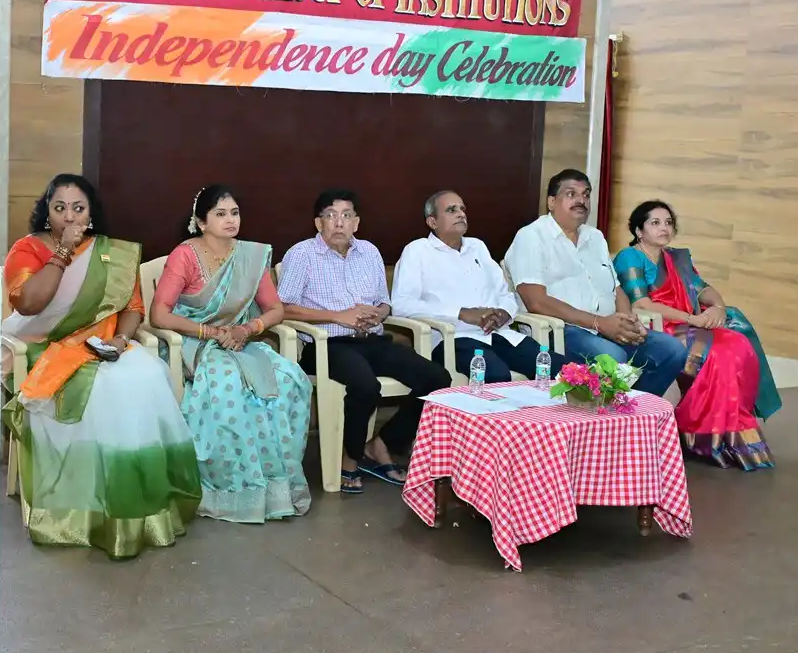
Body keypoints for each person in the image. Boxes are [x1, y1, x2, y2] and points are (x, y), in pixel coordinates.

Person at [3, 174, 201, 559]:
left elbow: (133, 308)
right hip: (46, 349)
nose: (69, 216)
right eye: (59, 207)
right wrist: (62, 252)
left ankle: (142, 508)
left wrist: (120, 341)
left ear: (91, 213)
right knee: (109, 390)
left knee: (147, 375)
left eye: (79, 208)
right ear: (46, 210)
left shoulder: (111, 253)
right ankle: (86, 510)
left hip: (104, 345)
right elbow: (28, 305)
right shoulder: (27, 249)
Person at [149, 184, 311, 523]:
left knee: (290, 379)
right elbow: (160, 315)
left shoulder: (250, 257)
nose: (230, 220)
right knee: (228, 385)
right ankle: (233, 488)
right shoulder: (186, 255)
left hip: (240, 341)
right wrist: (211, 332)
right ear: (201, 222)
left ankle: (274, 487)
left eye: (234, 213)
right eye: (220, 214)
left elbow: (275, 309)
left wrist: (246, 330)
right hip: (193, 343)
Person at [278, 189, 452, 494]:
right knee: (365, 385)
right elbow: (283, 308)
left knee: (437, 377)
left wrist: (378, 313)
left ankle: (383, 443)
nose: (339, 223)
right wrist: (338, 316)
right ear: (318, 223)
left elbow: (385, 304)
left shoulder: (369, 252)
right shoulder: (301, 254)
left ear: (356, 223)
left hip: (371, 340)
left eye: (346, 216)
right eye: (330, 216)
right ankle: (349, 458)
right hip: (325, 346)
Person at [615, 201, 781, 470]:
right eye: (655, 223)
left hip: (690, 323)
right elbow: (640, 304)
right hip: (659, 328)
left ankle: (730, 433)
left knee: (738, 343)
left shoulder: (677, 259)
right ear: (638, 230)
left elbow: (702, 288)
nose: (664, 228)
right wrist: (693, 319)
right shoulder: (630, 257)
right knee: (719, 354)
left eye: (668, 222)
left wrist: (719, 307)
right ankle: (705, 437)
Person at [504, 170, 686, 397]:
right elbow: (536, 301)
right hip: (561, 330)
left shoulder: (595, 237)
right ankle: (614, 414)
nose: (581, 200)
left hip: (604, 325)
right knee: (612, 357)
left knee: (672, 350)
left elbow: (616, 288)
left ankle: (629, 412)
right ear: (552, 202)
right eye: (571, 194)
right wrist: (599, 323)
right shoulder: (531, 237)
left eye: (586, 194)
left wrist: (628, 321)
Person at [392, 189, 571, 382]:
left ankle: (540, 414)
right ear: (432, 222)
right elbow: (402, 305)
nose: (461, 213)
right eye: (451, 210)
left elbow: (505, 294)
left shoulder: (477, 247)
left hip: (500, 334)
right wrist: (460, 313)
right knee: (496, 376)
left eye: (462, 208)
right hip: (454, 339)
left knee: (561, 370)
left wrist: (504, 313)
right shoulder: (417, 251)